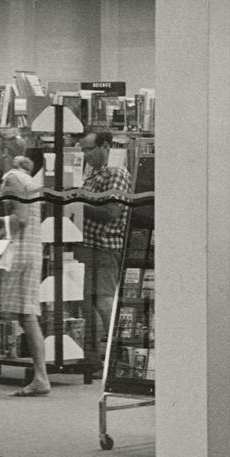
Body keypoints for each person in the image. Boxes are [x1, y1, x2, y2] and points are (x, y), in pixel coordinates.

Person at [0, 131, 51, 396]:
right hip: (29, 252)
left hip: (14, 254)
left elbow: (20, 218)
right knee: (27, 315)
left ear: (4, 153)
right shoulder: (27, 178)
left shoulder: (11, 178)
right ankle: (41, 377)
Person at [76, 129, 132, 374]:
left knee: (104, 303)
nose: (86, 154)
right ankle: (94, 358)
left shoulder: (115, 173)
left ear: (105, 146)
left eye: (90, 148)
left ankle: (118, 358)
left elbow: (112, 212)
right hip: (87, 246)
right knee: (87, 304)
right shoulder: (93, 173)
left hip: (104, 247)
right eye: (84, 149)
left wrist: (78, 203)